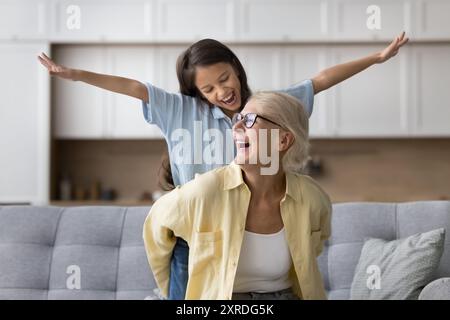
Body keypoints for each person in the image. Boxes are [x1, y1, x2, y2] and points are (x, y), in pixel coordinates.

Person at [37, 33, 408, 299]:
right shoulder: (181, 111)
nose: (221, 92)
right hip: (195, 234)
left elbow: (320, 81)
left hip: (246, 229)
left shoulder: (263, 110)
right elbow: (134, 87)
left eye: (224, 79)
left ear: (236, 68)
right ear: (197, 93)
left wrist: (375, 58)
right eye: (208, 89)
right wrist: (77, 75)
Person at [143, 91, 331, 300]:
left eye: (250, 120)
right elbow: (156, 229)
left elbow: (315, 246)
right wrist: (172, 292)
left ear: (283, 140)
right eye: (239, 118)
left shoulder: (311, 197)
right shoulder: (206, 191)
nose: (236, 127)